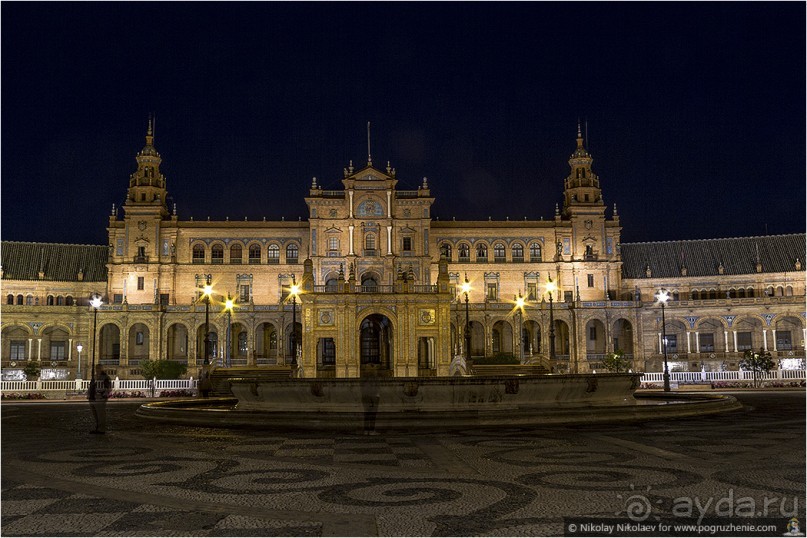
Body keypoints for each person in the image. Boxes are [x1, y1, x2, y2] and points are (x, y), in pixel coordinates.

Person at [89, 364, 111, 434]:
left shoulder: (105, 377)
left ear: (101, 369)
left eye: (98, 368)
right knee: (96, 414)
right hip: (93, 398)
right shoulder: (95, 377)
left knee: (100, 414)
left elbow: (108, 388)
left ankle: (101, 429)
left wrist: (103, 395)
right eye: (96, 368)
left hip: (99, 398)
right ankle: (98, 427)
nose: (97, 370)